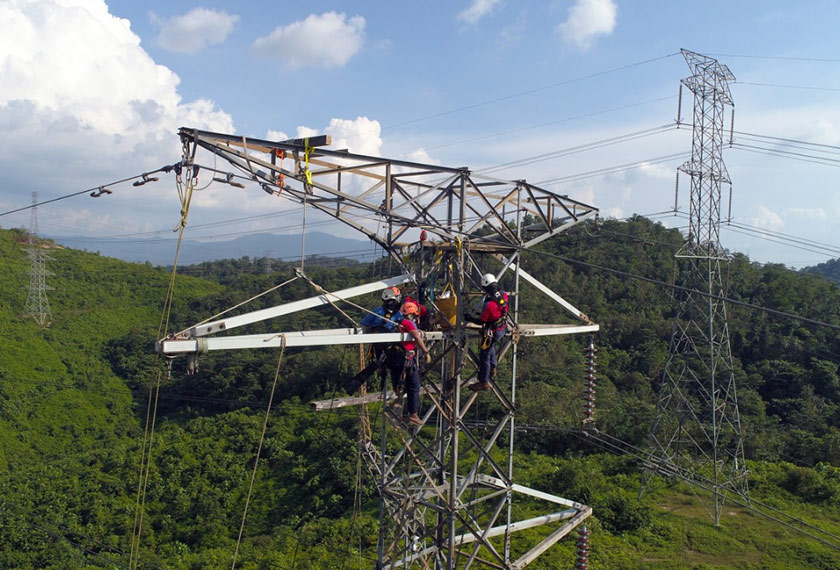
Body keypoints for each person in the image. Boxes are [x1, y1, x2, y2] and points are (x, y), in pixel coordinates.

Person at [466, 273, 509, 392]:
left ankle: (483, 382)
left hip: (493, 331)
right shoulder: (503, 295)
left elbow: (481, 321)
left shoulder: (489, 305)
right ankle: (492, 367)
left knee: (484, 355)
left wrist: (469, 318)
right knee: (491, 347)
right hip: (502, 329)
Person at [397, 300, 431, 426]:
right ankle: (413, 414)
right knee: (414, 386)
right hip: (407, 359)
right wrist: (426, 351)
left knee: (407, 386)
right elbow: (416, 336)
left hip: (400, 359)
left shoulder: (399, 323)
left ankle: (406, 412)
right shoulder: (408, 323)